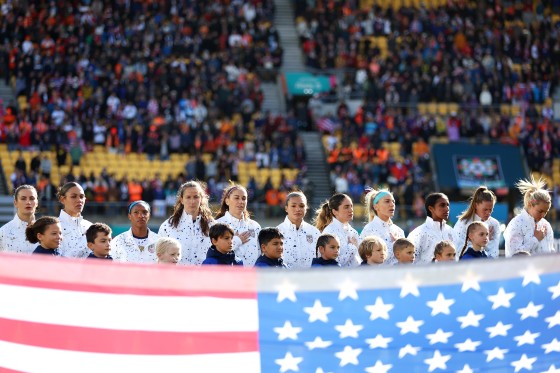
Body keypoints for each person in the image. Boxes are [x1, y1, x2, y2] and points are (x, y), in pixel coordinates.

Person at [158, 181, 213, 265]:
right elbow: (159, 257)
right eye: (188, 197)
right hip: (177, 276)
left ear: (201, 199)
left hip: (204, 276)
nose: (192, 201)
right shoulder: (168, 226)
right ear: (182, 200)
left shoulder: (212, 225)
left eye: (196, 197)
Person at [504, 177, 555, 256]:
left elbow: (550, 251)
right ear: (529, 204)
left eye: (546, 212)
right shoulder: (515, 224)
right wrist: (535, 239)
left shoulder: (546, 225)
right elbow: (514, 254)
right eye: (540, 211)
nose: (543, 215)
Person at [215, 184, 261, 266]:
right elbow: (214, 253)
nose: (241, 201)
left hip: (252, 276)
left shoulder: (255, 226)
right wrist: (236, 241)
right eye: (236, 198)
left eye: (244, 198)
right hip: (229, 276)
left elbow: (260, 254)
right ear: (227, 201)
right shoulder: (217, 224)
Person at [359, 188, 405, 264]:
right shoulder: (369, 230)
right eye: (387, 201)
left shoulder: (399, 231)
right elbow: (366, 259)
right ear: (376, 206)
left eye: (393, 201)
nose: (392, 204)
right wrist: (396, 245)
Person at [453, 186, 501, 258]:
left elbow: (494, 253)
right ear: (476, 205)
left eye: (490, 209)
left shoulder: (494, 223)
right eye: (485, 209)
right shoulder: (463, 223)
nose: (488, 213)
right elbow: (458, 251)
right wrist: (485, 241)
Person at [276, 191, 320, 269]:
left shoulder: (314, 232)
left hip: (310, 279)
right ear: (286, 208)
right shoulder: (277, 232)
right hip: (285, 279)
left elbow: (320, 258)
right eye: (293, 206)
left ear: (306, 208)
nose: (298, 209)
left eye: (301, 206)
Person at [407, 193, 454, 264]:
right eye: (442, 205)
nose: (447, 208)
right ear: (431, 208)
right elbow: (409, 262)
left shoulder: (451, 231)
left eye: (448, 205)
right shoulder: (418, 233)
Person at [314, 193, 360, 267]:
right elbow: (331, 263)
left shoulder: (353, 232)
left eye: (351, 206)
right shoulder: (329, 232)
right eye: (346, 207)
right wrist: (352, 247)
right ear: (335, 211)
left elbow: (358, 258)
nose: (351, 210)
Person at [56, 182, 92, 258]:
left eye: (82, 196)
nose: (79, 200)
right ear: (62, 199)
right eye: (73, 196)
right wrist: (85, 239)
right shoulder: (54, 227)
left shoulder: (90, 226)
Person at [0, 185, 39, 254]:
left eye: (32, 198)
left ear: (37, 203)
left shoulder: (45, 231)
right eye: (23, 199)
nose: (28, 202)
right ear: (15, 203)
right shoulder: (3, 232)